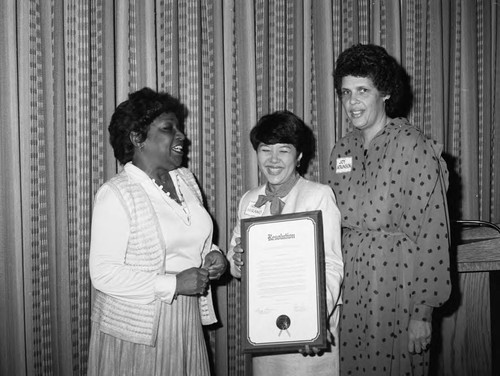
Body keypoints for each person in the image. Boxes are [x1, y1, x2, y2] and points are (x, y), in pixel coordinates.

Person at [328, 43, 451, 375]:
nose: (352, 102)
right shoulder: (342, 149)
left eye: (362, 90)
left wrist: (422, 313)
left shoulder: (414, 146)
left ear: (383, 93)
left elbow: (434, 234)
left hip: (399, 284)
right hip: (352, 288)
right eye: (345, 92)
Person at [87, 87, 227, 376]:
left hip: (186, 320)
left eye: (179, 128)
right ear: (137, 138)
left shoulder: (186, 179)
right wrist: (173, 284)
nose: (181, 136)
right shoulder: (115, 193)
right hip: (139, 331)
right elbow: (102, 273)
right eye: (168, 128)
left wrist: (213, 256)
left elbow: (194, 241)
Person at [227, 110, 344, 376]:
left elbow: (332, 264)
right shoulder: (249, 200)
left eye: (284, 150)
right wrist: (236, 261)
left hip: (310, 326)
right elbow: (235, 261)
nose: (273, 160)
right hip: (265, 326)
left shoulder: (318, 196)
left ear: (299, 155)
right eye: (265, 150)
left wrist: (315, 321)